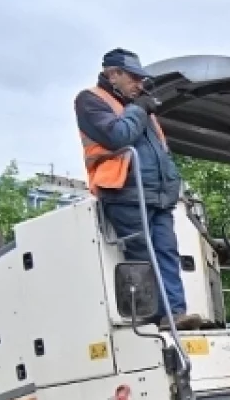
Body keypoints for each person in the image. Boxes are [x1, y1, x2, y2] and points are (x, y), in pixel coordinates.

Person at [75, 49, 201, 331]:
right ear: (113, 74)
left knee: (166, 250)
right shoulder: (91, 101)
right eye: (133, 77)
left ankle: (175, 313)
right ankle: (154, 316)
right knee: (143, 253)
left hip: (157, 194)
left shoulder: (139, 107)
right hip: (125, 191)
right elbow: (117, 136)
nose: (139, 83)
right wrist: (140, 108)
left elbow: (160, 151)